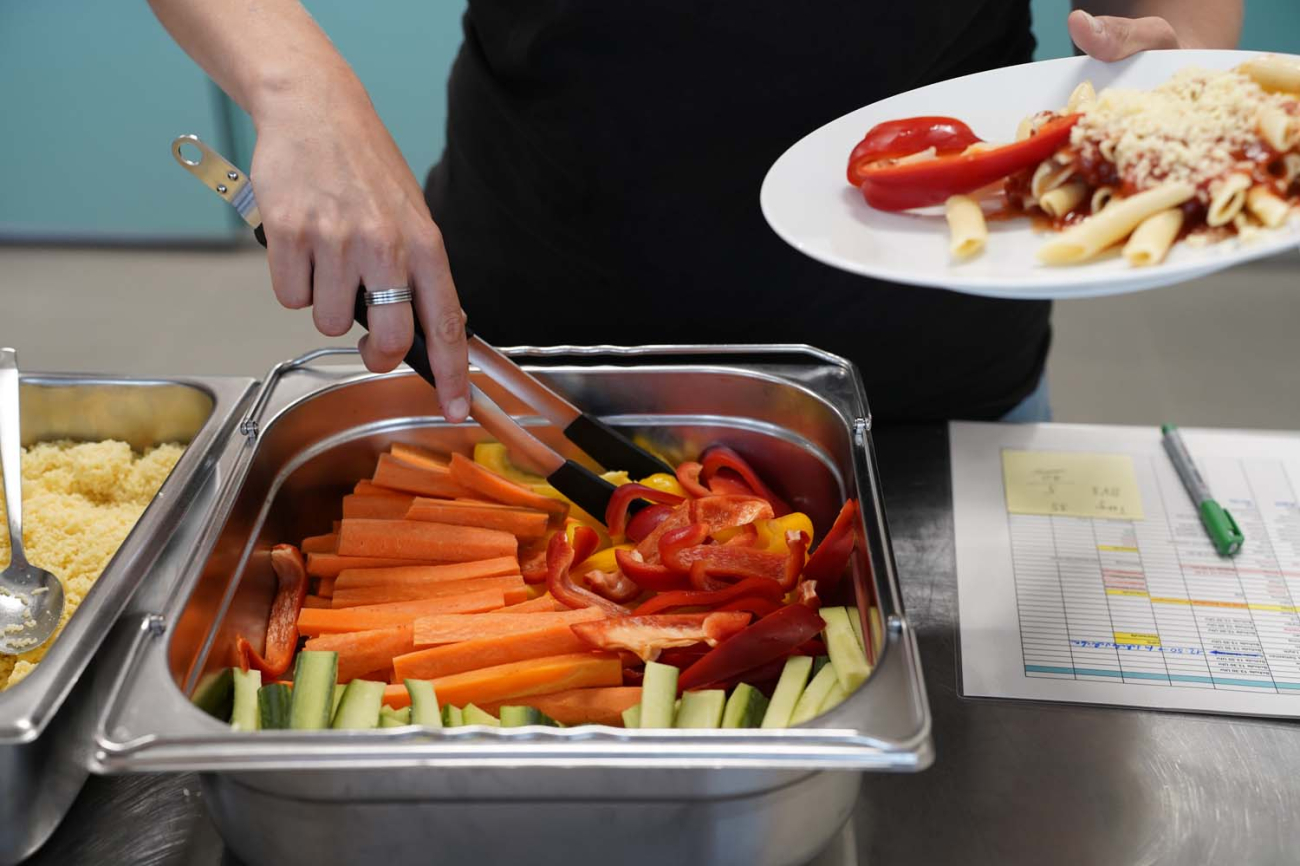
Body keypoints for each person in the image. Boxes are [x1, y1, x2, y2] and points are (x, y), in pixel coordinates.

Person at [148, 1, 1242, 424]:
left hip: (929, 372)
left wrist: (1170, 54)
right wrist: (306, 94)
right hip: (536, 354)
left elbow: (1165, 10)